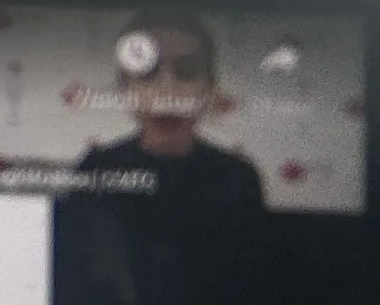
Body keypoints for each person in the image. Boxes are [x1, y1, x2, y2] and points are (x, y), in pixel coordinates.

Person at [67, 16, 268, 229]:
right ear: (125, 87)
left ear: (209, 86)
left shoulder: (237, 177)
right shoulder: (97, 169)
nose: (167, 91)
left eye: (186, 71)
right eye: (147, 72)